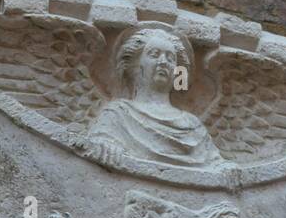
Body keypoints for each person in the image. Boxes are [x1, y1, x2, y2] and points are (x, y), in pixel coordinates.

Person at [84, 26, 224, 168]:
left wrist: (225, 167)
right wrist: (106, 146)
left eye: (170, 58)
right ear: (135, 65)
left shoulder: (192, 125)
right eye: (154, 54)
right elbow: (99, 143)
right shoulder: (117, 114)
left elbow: (216, 163)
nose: (163, 61)